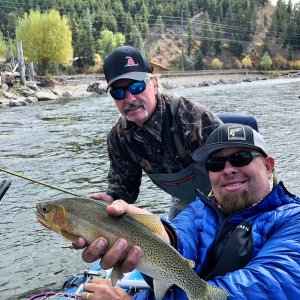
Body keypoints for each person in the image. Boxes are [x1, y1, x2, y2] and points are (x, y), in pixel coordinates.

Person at [78, 123, 300, 299]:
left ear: (269, 167)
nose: (228, 170)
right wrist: (151, 234)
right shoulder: (198, 211)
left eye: (240, 159)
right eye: (216, 163)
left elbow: (263, 287)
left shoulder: (293, 221)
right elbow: (177, 237)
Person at [89, 45, 222, 220]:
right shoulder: (119, 138)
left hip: (225, 196)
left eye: (136, 87)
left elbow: (236, 168)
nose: (129, 99)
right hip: (185, 203)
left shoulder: (192, 116)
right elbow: (124, 186)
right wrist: (112, 198)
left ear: (154, 84)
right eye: (118, 93)